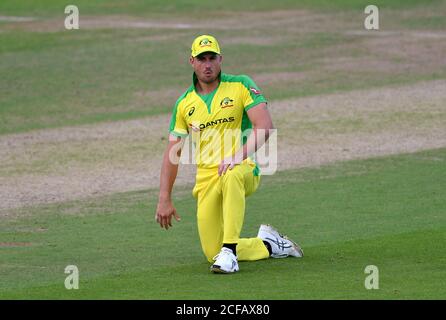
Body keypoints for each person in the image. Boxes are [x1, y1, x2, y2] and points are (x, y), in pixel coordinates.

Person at [155, 35, 303, 274]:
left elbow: (264, 125)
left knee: (232, 174)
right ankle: (269, 244)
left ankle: (230, 254)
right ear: (191, 61)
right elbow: (173, 152)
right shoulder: (184, 104)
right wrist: (164, 197)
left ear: (220, 59)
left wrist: (238, 156)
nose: (207, 64)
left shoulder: (241, 85)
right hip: (206, 178)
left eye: (212, 57)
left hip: (243, 166)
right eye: (201, 58)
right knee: (211, 251)